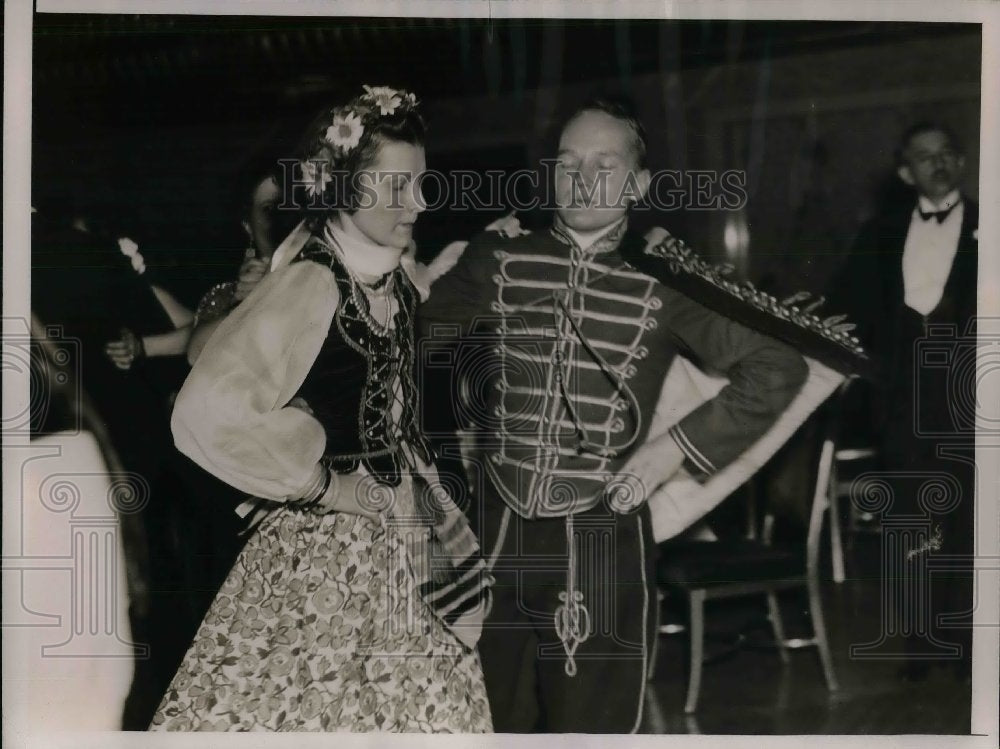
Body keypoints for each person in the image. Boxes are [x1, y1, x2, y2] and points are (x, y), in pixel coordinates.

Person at [418, 97, 831, 733]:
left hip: (603, 535)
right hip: (492, 531)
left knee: (594, 725)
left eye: (602, 163)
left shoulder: (663, 279)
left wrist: (664, 456)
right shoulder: (493, 258)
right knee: (487, 718)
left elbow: (778, 368)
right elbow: (414, 347)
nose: (580, 177)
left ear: (636, 185)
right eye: (568, 161)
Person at [151, 86, 493, 732]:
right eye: (396, 186)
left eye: (420, 185)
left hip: (406, 532)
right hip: (325, 551)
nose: (416, 202)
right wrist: (327, 485)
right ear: (343, 184)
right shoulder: (311, 281)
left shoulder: (391, 278)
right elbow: (205, 408)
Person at [829, 121, 978, 683]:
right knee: (912, 520)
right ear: (905, 172)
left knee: (969, 520)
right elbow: (846, 309)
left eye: (947, 154)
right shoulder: (879, 233)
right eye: (924, 157)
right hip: (902, 405)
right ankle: (920, 641)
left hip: (972, 402)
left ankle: (966, 643)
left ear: (961, 163)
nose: (937, 164)